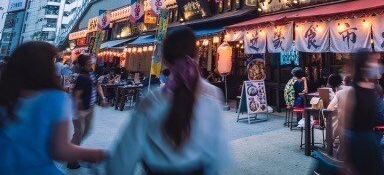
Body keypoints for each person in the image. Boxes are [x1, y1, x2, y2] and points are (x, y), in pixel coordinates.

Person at [106, 27, 231, 174]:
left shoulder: (150, 99)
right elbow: (220, 156)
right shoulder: (212, 94)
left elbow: (123, 158)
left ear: (165, 61)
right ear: (197, 56)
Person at [0, 42, 107, 174]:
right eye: (53, 61)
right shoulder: (54, 98)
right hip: (37, 170)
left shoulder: (5, 94)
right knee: (79, 131)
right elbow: (60, 150)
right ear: (44, 66)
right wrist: (96, 154)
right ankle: (73, 162)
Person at [341, 49, 384, 175]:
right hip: (357, 142)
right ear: (363, 65)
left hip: (372, 140)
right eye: (372, 61)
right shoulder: (352, 91)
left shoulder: (375, 88)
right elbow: (344, 126)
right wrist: (345, 159)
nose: (376, 65)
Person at [68, 53, 105, 169]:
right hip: (80, 109)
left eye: (92, 61)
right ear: (84, 64)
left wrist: (103, 98)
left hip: (90, 107)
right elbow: (76, 96)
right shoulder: (81, 77)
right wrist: (79, 111)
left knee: (87, 130)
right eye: (89, 61)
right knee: (79, 133)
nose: (92, 62)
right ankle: (71, 159)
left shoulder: (92, 73)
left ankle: (73, 149)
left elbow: (97, 85)